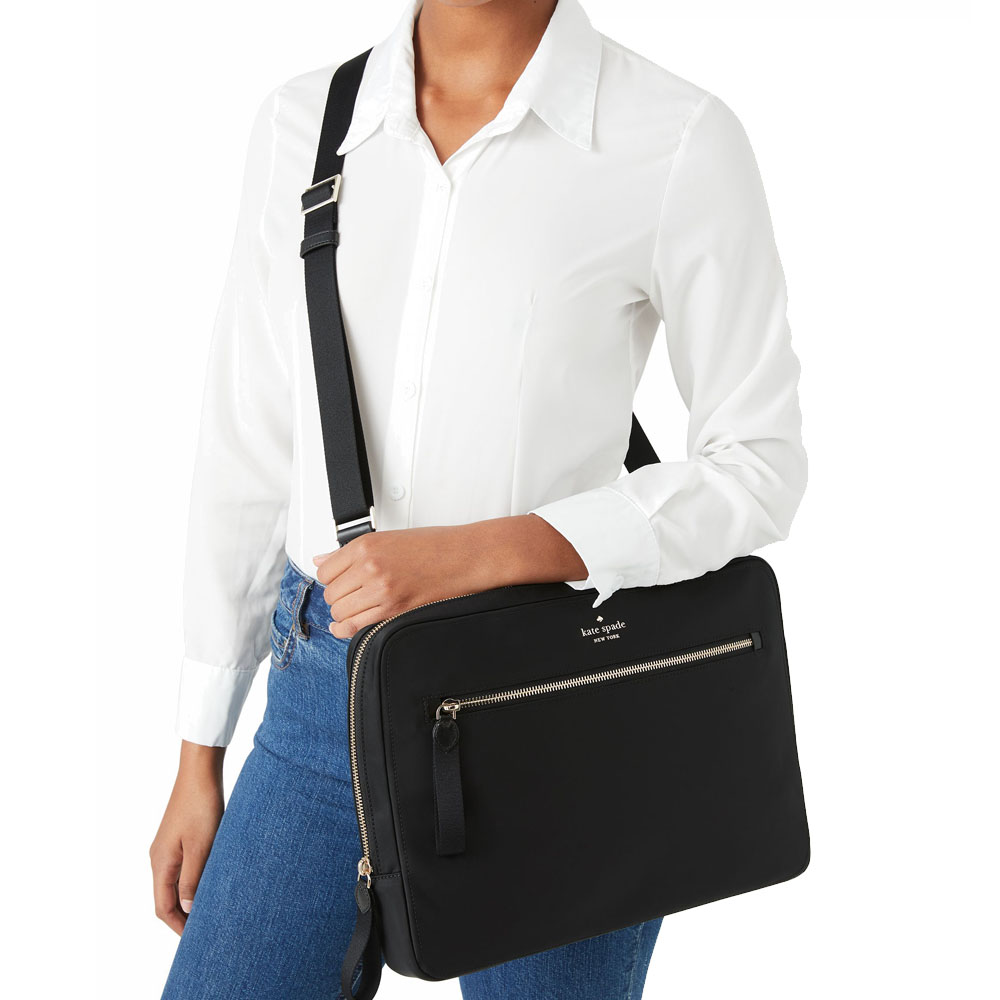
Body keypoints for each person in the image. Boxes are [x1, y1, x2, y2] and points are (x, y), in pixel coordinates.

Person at [152, 0, 808, 996]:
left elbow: (758, 463)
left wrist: (481, 553)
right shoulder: (304, 123)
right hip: (319, 696)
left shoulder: (674, 136)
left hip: (556, 711)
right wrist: (198, 752)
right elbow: (249, 443)